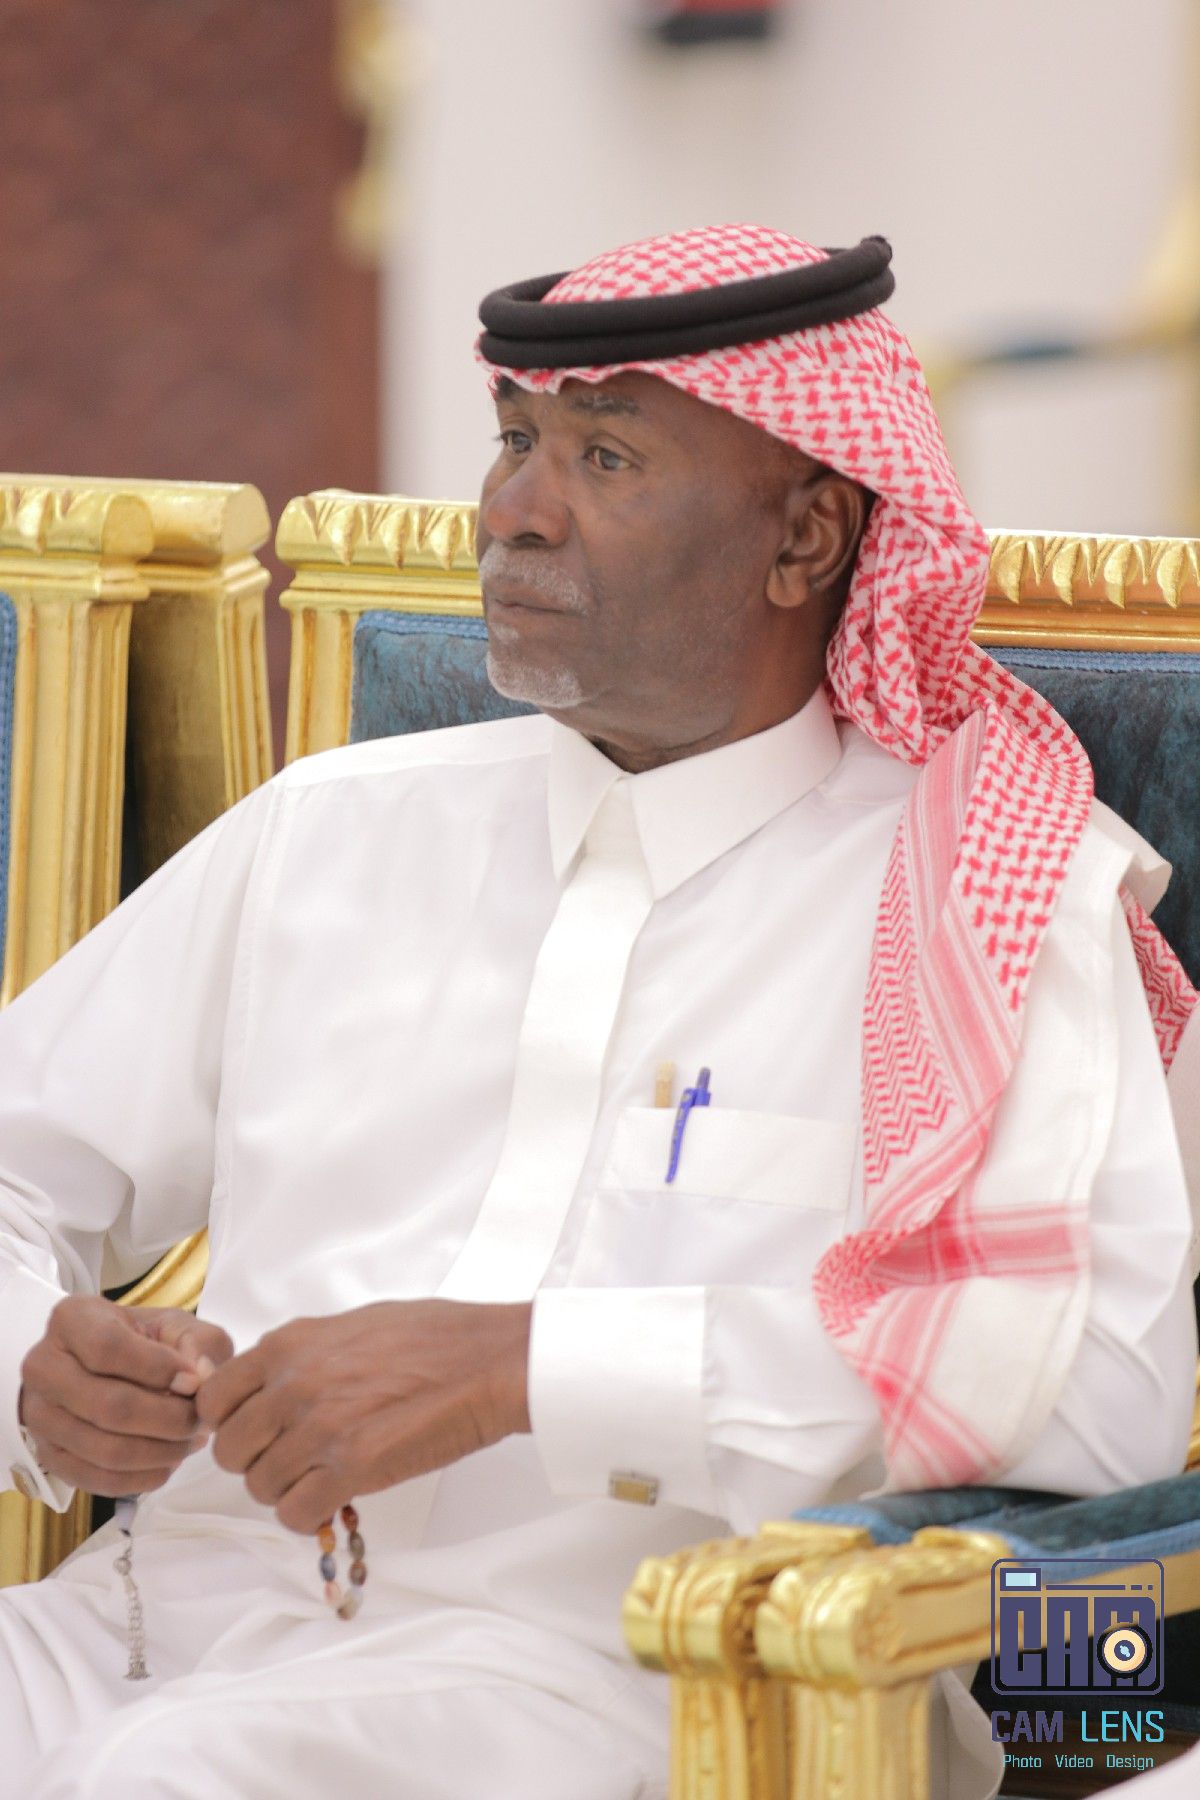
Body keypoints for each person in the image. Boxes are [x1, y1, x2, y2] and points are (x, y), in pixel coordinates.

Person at [0, 225, 1195, 1799]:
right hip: (151, 1621)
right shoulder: (332, 830)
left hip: (626, 1687)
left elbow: (1098, 1398)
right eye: (515, 442)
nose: (516, 510)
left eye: (606, 457)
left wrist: (531, 1371)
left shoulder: (986, 897)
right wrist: (39, 1362)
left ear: (805, 537)